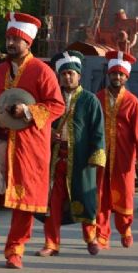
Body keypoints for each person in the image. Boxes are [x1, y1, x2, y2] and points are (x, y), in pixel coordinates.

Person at [0, 12, 65, 269]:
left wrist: (29, 111)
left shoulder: (42, 71)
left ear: (28, 43)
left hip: (27, 146)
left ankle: (15, 251)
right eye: (8, 38)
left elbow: (57, 105)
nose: (10, 43)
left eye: (16, 39)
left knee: (24, 201)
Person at [40, 52, 105, 256]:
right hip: (55, 158)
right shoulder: (52, 98)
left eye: (71, 73)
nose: (67, 77)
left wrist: (96, 156)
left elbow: (98, 130)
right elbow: (42, 124)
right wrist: (49, 134)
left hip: (81, 158)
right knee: (53, 202)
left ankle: (91, 238)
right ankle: (52, 243)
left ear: (79, 76)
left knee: (85, 199)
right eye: (64, 74)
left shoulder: (90, 100)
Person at [94, 50, 138, 249]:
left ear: (126, 77)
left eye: (120, 74)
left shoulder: (132, 101)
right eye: (114, 74)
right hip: (101, 155)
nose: (117, 77)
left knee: (124, 195)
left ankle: (125, 229)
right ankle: (102, 234)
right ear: (108, 74)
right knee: (101, 194)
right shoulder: (98, 98)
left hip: (124, 156)